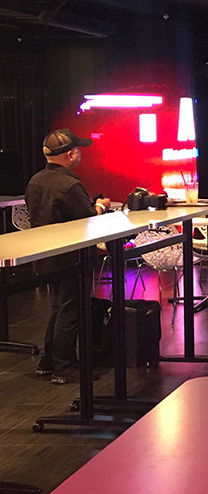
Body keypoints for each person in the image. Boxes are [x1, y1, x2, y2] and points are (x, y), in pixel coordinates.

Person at [25, 129, 111, 385]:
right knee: (71, 310)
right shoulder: (70, 185)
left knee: (57, 308)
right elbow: (88, 220)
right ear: (72, 154)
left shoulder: (35, 180)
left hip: (46, 256)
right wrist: (101, 206)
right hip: (72, 257)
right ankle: (64, 366)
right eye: (78, 150)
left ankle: (48, 362)